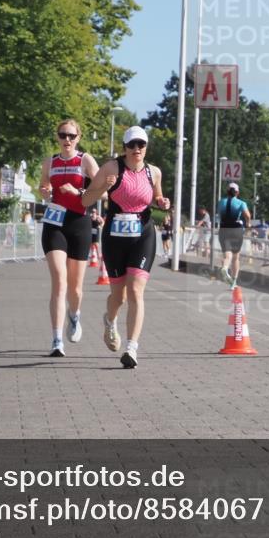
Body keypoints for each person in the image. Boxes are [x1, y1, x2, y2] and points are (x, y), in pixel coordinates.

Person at [82, 125, 169, 369]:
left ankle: (132, 348)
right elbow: (85, 199)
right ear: (124, 148)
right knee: (118, 296)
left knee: (136, 291)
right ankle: (110, 321)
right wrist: (102, 188)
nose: (136, 149)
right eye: (131, 145)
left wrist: (162, 202)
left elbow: (157, 198)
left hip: (143, 233)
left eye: (141, 145)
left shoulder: (154, 172)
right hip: (115, 236)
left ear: (146, 147)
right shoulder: (111, 168)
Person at [39, 119, 100, 357]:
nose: (67, 140)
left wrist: (79, 192)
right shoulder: (50, 162)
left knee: (75, 288)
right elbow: (44, 186)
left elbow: (99, 190)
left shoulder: (85, 160)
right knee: (59, 282)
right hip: (55, 223)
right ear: (57, 137)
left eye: (71, 136)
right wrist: (44, 191)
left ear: (78, 138)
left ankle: (74, 316)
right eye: (63, 135)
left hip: (79, 223)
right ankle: (56, 340)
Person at [216, 182, 251, 284]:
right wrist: (248, 224)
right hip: (236, 230)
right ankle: (234, 281)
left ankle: (225, 267)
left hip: (223, 229)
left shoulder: (221, 202)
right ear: (237, 192)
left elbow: (220, 215)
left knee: (227, 255)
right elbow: (247, 216)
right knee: (236, 257)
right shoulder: (241, 203)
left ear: (227, 191)